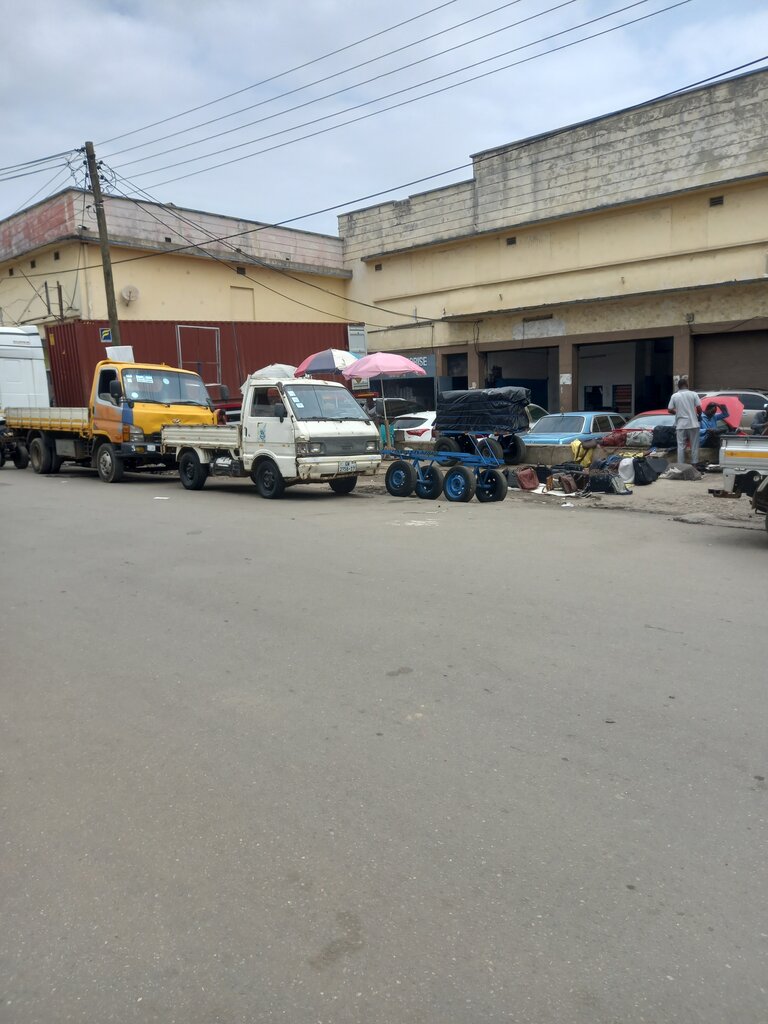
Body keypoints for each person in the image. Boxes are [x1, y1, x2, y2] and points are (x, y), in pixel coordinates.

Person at [667, 378, 702, 465]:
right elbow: (699, 408)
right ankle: (694, 465)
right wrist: (699, 415)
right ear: (687, 385)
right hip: (693, 424)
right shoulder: (693, 394)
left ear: (678, 386)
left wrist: (677, 413)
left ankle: (681, 465)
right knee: (694, 446)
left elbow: (669, 409)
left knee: (681, 446)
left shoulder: (674, 396)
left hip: (681, 425)